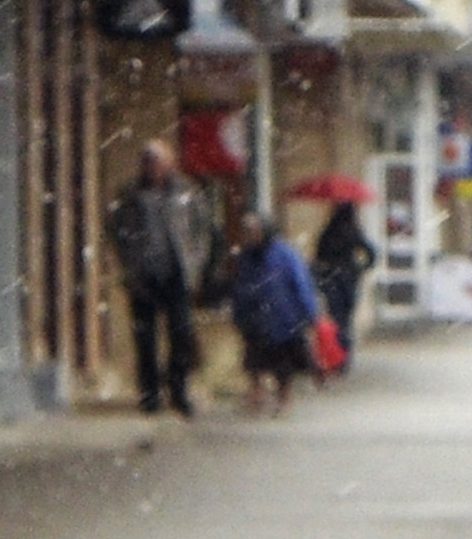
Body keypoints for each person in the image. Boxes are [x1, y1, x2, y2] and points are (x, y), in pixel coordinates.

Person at [108, 159, 199, 417]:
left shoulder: (184, 191)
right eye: (148, 163)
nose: (153, 169)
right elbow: (117, 230)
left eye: (157, 163)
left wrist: (194, 261)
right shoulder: (131, 195)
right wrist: (130, 262)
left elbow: (199, 227)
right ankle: (150, 394)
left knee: (181, 334)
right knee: (145, 338)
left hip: (176, 274)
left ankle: (179, 390)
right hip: (144, 276)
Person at [221, 202, 324, 416]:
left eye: (254, 231)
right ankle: (256, 394)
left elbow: (301, 283)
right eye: (247, 231)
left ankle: (284, 399)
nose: (250, 235)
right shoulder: (247, 257)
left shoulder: (284, 253)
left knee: (282, 365)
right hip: (255, 317)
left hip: (283, 318)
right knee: (254, 360)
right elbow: (241, 286)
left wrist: (311, 314)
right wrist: (238, 313)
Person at [310, 200, 379, 371]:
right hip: (349, 280)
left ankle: (337, 356)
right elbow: (371, 252)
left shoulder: (328, 232)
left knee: (336, 318)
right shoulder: (354, 231)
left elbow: (319, 256)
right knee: (346, 320)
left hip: (332, 281)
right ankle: (344, 357)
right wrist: (361, 268)